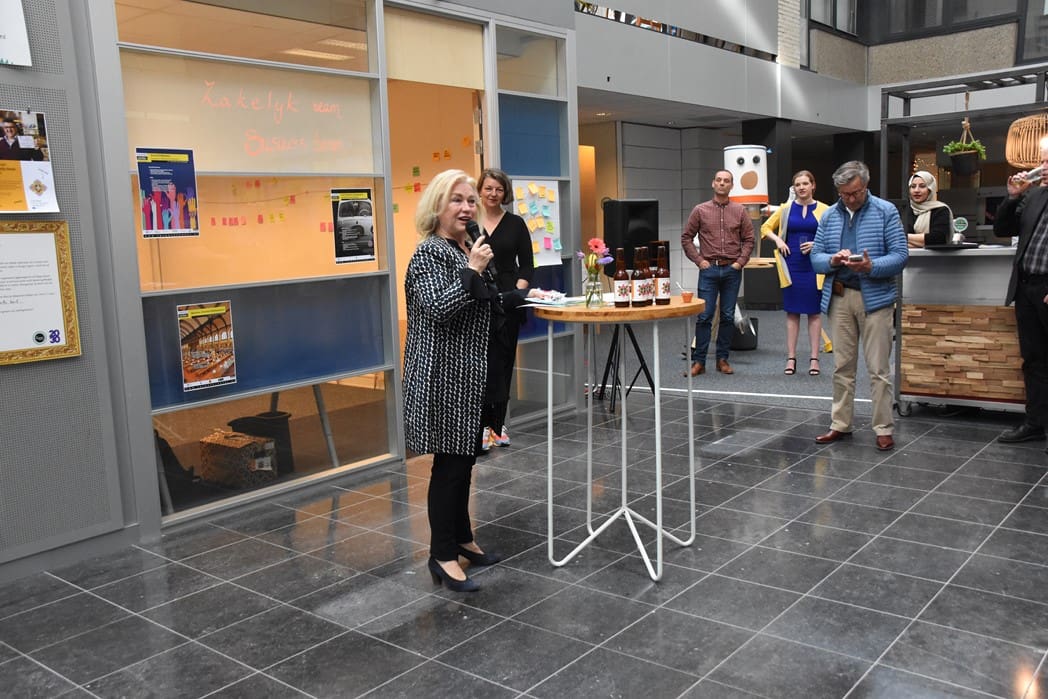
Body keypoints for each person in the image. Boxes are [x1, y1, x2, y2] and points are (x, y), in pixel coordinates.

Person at [810, 160, 908, 451]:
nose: (850, 199)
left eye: (855, 193)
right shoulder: (830, 215)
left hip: (875, 299)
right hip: (840, 298)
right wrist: (832, 260)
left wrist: (871, 266)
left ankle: (883, 428)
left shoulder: (885, 211)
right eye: (844, 194)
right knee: (842, 367)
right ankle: (840, 423)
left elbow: (900, 256)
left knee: (878, 369)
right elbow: (815, 257)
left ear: (866, 185)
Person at [992, 146, 1048, 446]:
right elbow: (1002, 228)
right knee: (1034, 359)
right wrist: (1013, 196)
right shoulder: (1035, 195)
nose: (1043, 167)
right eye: (1042, 161)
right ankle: (1036, 423)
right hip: (1027, 288)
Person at [476, 167, 534, 452]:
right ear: (480, 190)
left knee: (503, 364)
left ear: (505, 193)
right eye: (488, 188)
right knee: (481, 365)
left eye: (498, 189)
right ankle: (481, 427)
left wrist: (518, 292)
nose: (493, 194)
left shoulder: (516, 223)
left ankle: (498, 426)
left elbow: (527, 264)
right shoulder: (470, 222)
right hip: (478, 300)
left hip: (509, 302)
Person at [681, 169, 755, 376]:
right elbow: (686, 237)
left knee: (728, 316)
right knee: (704, 316)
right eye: (719, 180)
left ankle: (722, 359)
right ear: (713, 183)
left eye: (726, 181)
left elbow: (749, 239)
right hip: (709, 270)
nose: (722, 183)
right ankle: (699, 362)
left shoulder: (740, 211)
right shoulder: (700, 210)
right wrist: (699, 261)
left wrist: (740, 262)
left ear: (731, 186)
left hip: (732, 270)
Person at [760, 170, 831, 376]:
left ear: (813, 185)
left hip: (814, 266)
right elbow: (765, 228)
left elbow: (834, 235)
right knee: (792, 312)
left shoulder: (825, 210)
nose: (801, 187)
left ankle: (814, 359)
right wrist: (778, 240)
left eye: (805, 183)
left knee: (814, 313)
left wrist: (817, 244)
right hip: (791, 264)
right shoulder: (786, 208)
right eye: (797, 184)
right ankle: (791, 357)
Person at [902, 170, 953, 248]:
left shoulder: (940, 210)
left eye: (922, 186)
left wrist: (903, 237)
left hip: (934, 256)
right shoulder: (905, 210)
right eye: (913, 186)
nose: (916, 190)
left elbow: (938, 239)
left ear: (930, 189)